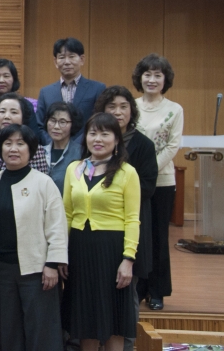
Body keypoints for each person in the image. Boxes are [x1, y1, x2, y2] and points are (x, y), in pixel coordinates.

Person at [0, 124, 67, 351]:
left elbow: (57, 227)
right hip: (2, 269)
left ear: (30, 150)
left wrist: (52, 264)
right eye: (8, 143)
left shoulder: (44, 183)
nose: (13, 149)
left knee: (41, 329)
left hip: (37, 270)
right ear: (0, 149)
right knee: (9, 329)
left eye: (20, 144)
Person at [62, 112, 141, 351]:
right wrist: (61, 253)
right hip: (80, 247)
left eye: (105, 134)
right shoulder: (74, 169)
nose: (98, 139)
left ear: (116, 140)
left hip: (112, 249)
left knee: (113, 317)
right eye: (93, 133)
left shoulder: (127, 172)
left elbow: (132, 219)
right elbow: (67, 214)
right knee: (85, 315)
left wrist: (128, 259)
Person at [94, 85, 158, 351]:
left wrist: (114, 189)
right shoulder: (94, 142)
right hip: (97, 231)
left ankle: (127, 345)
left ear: (132, 111)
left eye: (123, 106)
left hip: (132, 223)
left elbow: (148, 187)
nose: (118, 112)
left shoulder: (143, 144)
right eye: (111, 106)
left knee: (126, 290)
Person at [132, 54, 183, 311]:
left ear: (165, 80)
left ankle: (157, 291)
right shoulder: (130, 106)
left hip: (161, 182)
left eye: (157, 75)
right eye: (147, 74)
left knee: (158, 237)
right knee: (136, 235)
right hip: (133, 181)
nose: (152, 80)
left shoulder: (175, 109)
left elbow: (172, 146)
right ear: (140, 78)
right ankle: (137, 286)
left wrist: (149, 170)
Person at [36, 37, 105, 144]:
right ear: (55, 61)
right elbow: (39, 125)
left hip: (85, 147)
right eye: (62, 57)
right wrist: (54, 143)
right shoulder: (45, 92)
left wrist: (76, 145)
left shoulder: (97, 88)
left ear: (82, 59)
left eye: (72, 56)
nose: (67, 62)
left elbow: (100, 121)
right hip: (53, 148)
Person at [0, 93, 50, 174]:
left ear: (23, 117)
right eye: (2, 111)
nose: (6, 116)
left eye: (14, 112)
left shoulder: (35, 148)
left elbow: (39, 179)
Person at [0, 58, 39, 139]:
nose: (1, 80)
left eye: (6, 76)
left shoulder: (26, 105)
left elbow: (34, 137)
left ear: (14, 79)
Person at [42, 102, 84, 193]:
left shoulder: (81, 154)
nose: (56, 127)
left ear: (73, 124)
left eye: (62, 122)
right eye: (52, 120)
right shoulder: (39, 152)